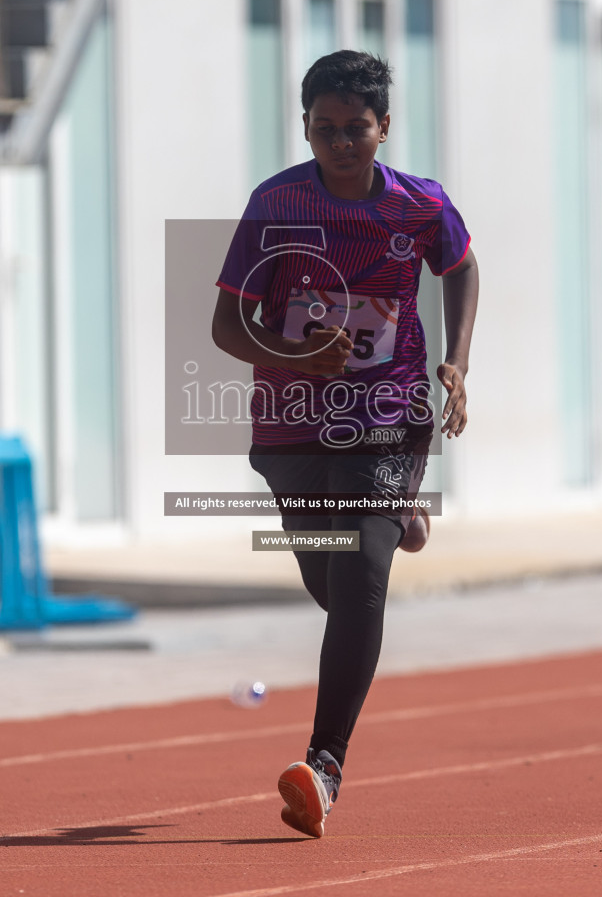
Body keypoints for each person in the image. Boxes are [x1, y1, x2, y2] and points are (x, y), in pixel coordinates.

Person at [210, 49, 479, 838]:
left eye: (356, 129)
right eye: (324, 130)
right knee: (335, 586)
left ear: (384, 127)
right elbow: (228, 325)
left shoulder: (420, 206)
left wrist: (455, 363)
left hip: (391, 413)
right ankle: (396, 522)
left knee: (361, 569)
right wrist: (298, 356)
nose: (341, 145)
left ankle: (324, 765)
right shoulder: (275, 207)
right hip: (294, 427)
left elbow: (461, 268)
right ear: (306, 130)